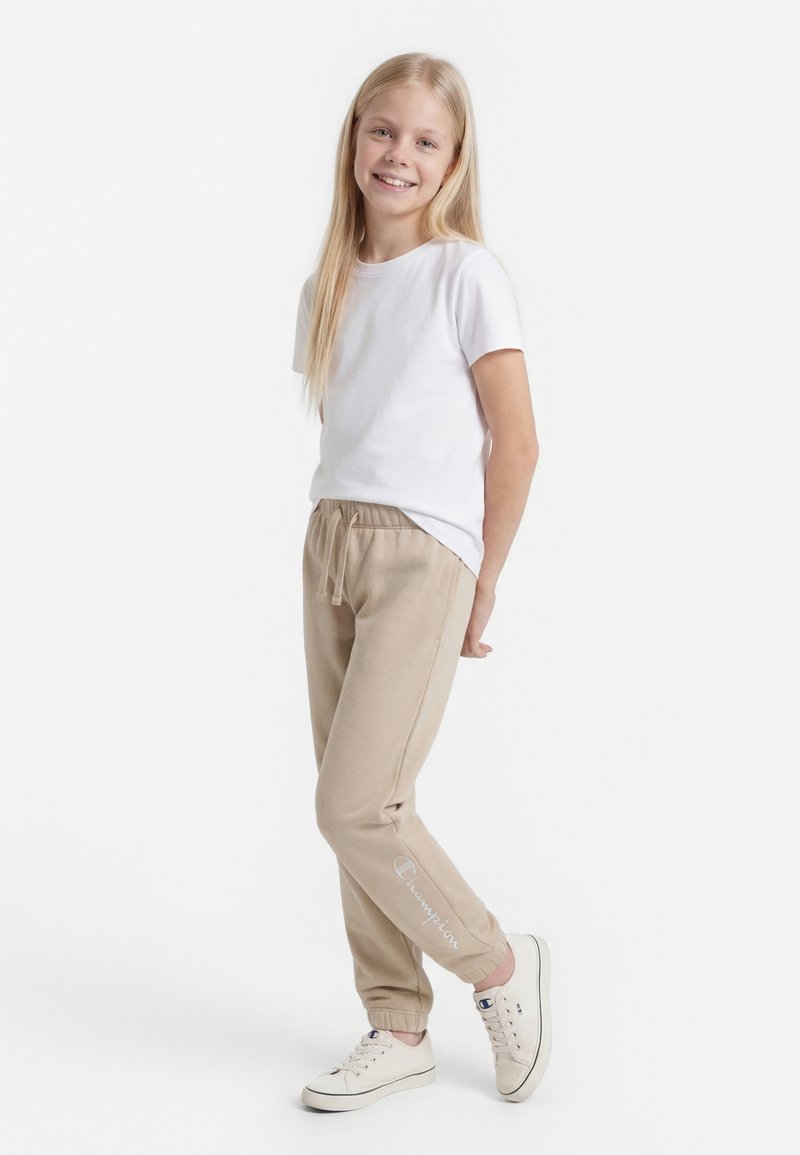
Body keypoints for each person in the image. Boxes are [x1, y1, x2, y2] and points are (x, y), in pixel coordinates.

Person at [292, 52, 551, 1111]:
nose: (398, 154)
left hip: (422, 550)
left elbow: (516, 442)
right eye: (382, 130)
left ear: (453, 161)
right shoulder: (329, 285)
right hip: (330, 540)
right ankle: (396, 1022)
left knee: (355, 804)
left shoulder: (465, 274)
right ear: (354, 140)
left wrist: (481, 578)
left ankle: (497, 964)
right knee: (355, 804)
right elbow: (351, 425)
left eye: (424, 140)